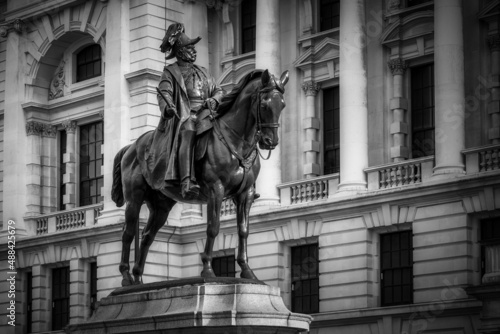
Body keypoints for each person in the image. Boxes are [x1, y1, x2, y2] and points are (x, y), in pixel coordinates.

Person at [157, 23, 224, 199]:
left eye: (193, 47)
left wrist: (214, 99)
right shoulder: (171, 72)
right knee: (188, 130)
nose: (194, 50)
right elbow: (164, 92)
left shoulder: (203, 72)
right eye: (190, 47)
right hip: (186, 114)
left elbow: (219, 90)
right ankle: (187, 180)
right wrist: (168, 108)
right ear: (180, 51)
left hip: (207, 111)